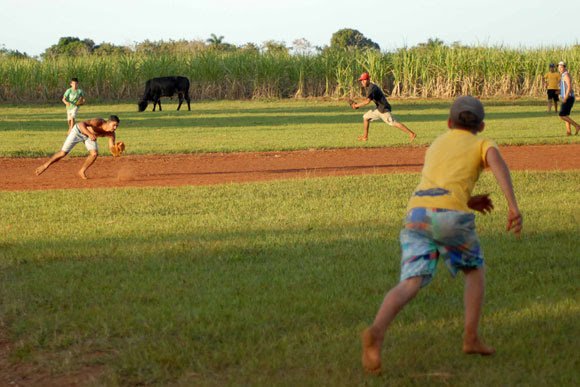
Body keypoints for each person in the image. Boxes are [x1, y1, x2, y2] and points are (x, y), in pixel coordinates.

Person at [361, 96, 523, 374]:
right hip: (451, 218)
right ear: (482, 126)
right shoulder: (482, 143)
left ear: (449, 123)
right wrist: (513, 206)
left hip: (417, 215)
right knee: (474, 270)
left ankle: (376, 331)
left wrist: (469, 201)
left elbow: (442, 185)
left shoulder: (437, 144)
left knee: (411, 282)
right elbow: (498, 165)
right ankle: (471, 338)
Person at [35, 116, 121, 180]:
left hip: (89, 137)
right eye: (114, 125)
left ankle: (81, 171)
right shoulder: (98, 122)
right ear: (108, 122)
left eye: (117, 126)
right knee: (63, 153)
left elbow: (111, 148)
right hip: (78, 131)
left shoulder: (111, 134)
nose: (115, 128)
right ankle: (45, 165)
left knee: (94, 154)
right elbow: (81, 124)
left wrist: (117, 151)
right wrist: (90, 134)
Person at [350, 72, 416, 143]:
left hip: (384, 109)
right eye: (361, 80)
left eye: (364, 80)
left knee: (393, 122)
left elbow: (367, 101)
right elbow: (367, 100)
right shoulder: (369, 87)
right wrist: (356, 105)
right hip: (378, 109)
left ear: (368, 79)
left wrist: (356, 105)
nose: (362, 82)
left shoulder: (372, 88)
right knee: (365, 117)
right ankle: (365, 137)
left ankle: (412, 134)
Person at [557, 61, 580, 136]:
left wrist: (565, 98)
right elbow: (565, 88)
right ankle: (568, 132)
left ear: (564, 67)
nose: (559, 68)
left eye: (561, 67)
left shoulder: (566, 75)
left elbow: (569, 87)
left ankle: (577, 126)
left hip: (568, 97)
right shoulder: (563, 75)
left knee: (562, 115)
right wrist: (558, 92)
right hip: (567, 97)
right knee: (565, 115)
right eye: (559, 67)